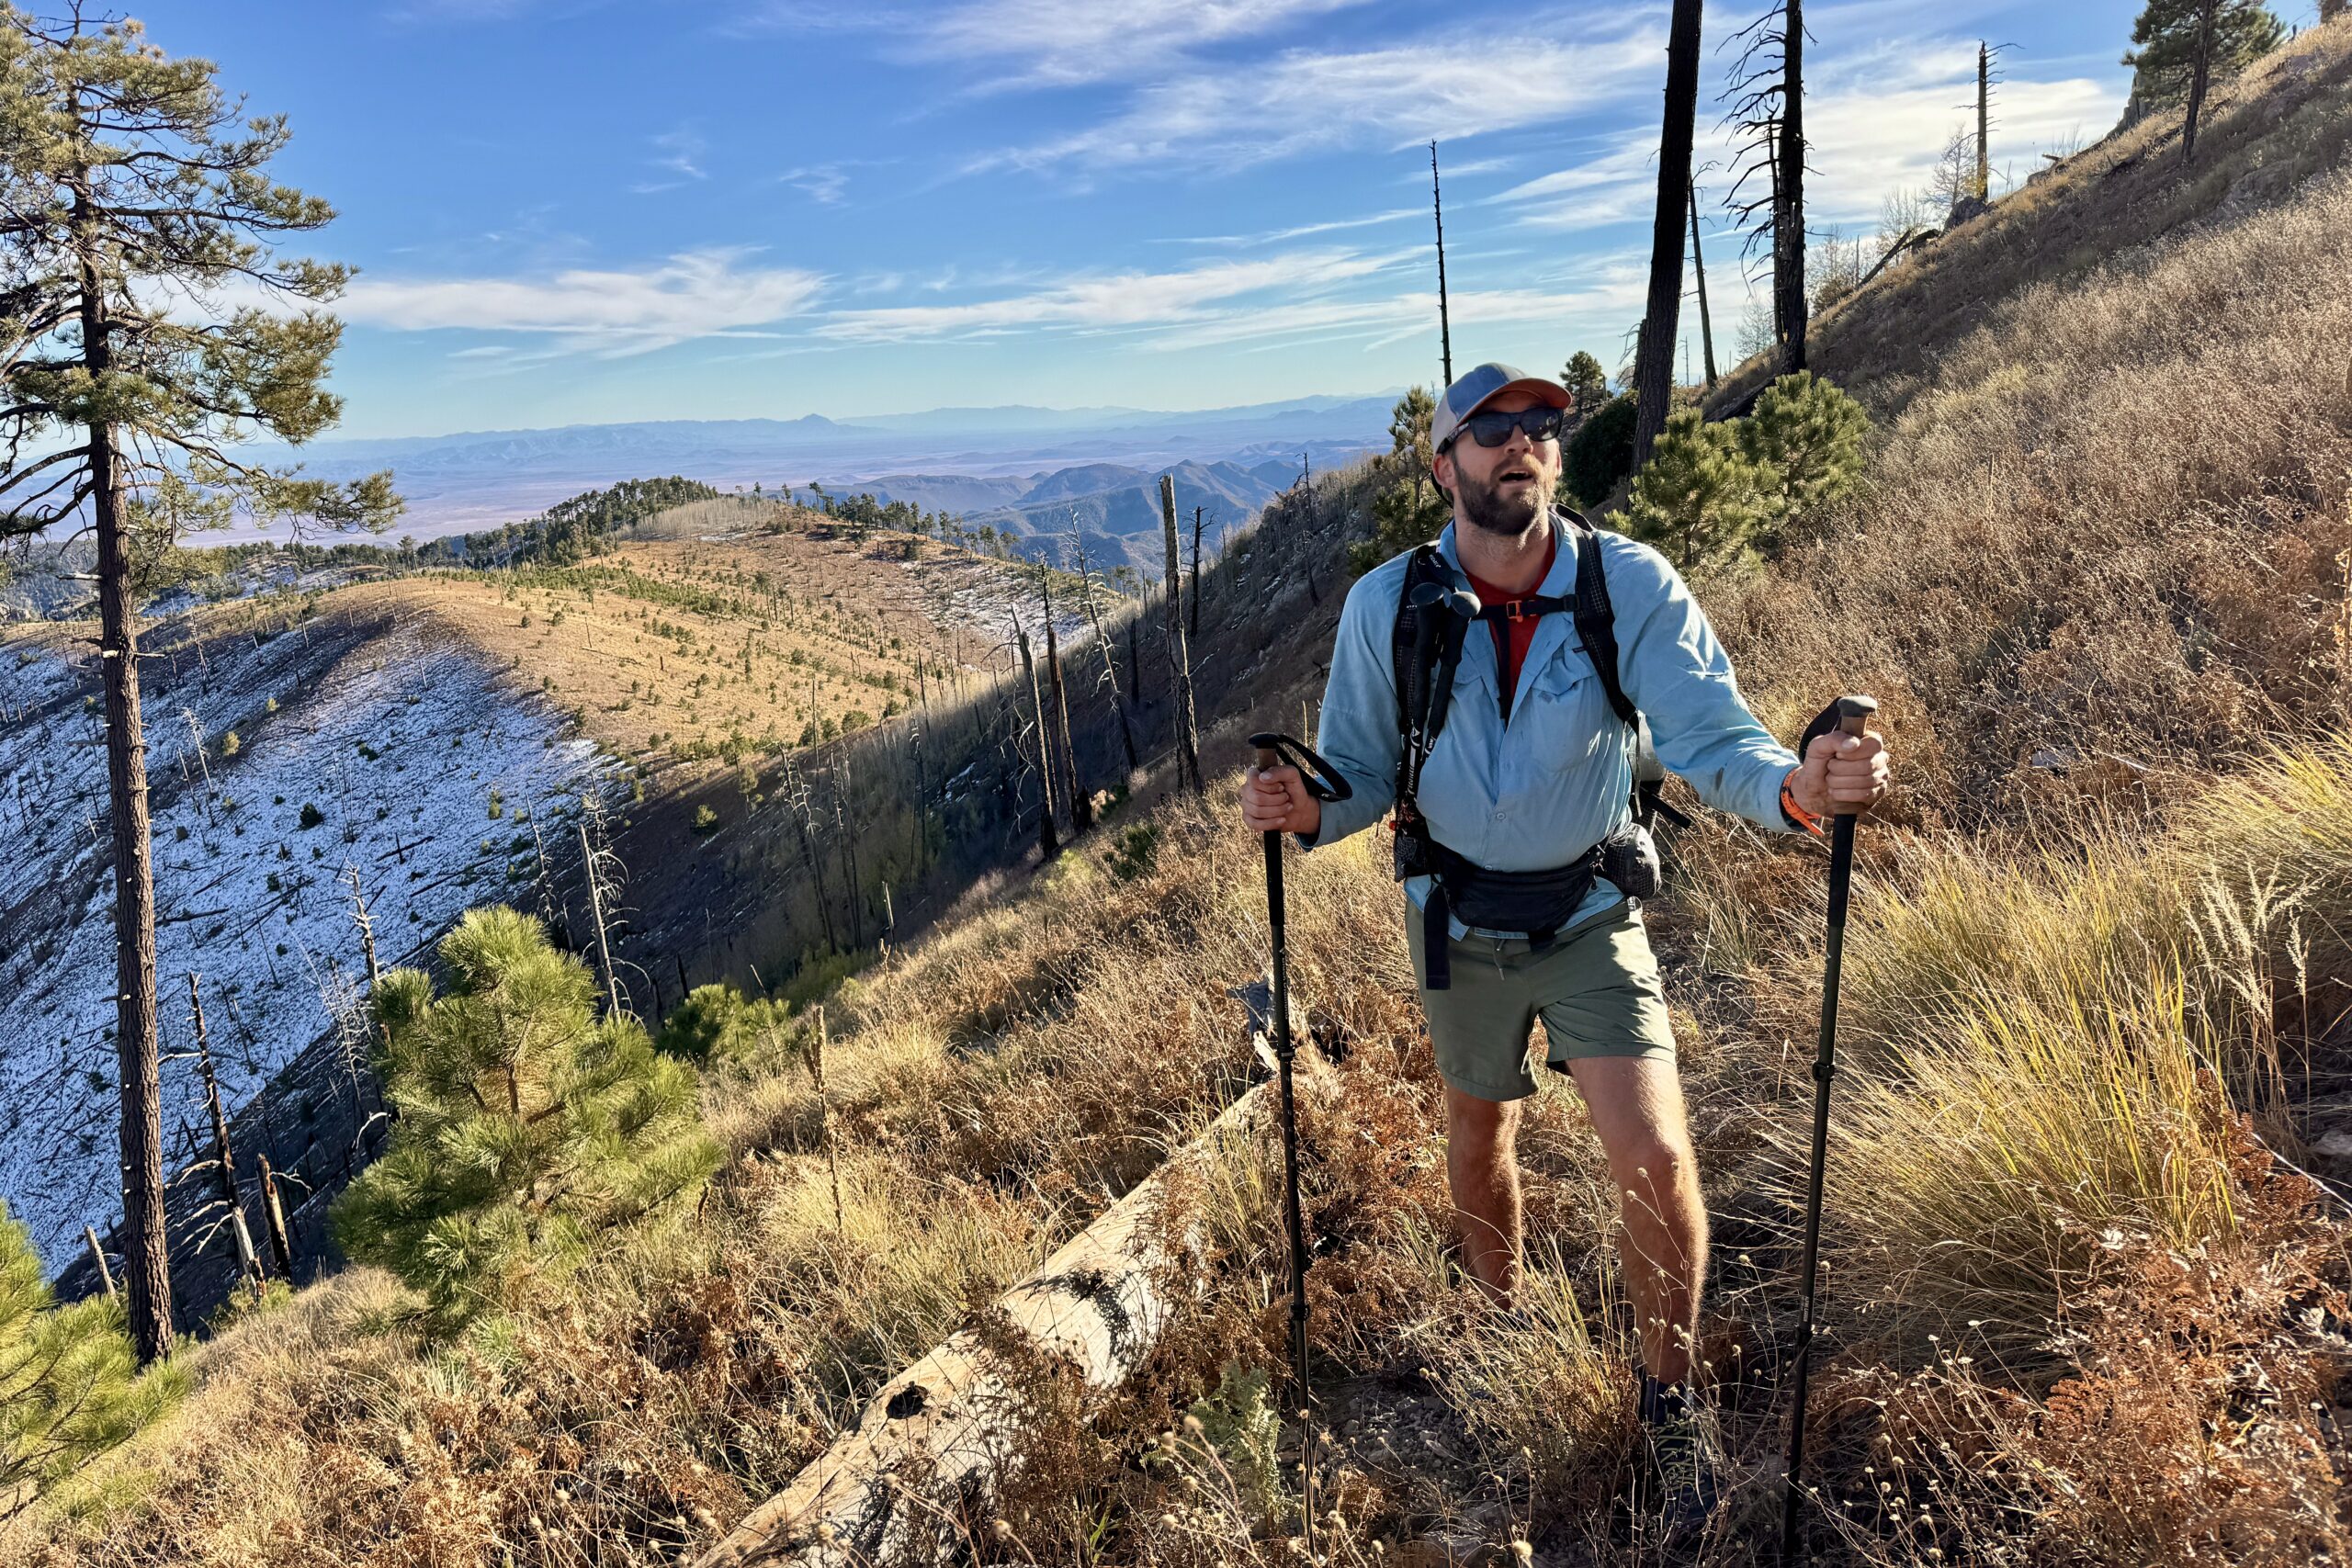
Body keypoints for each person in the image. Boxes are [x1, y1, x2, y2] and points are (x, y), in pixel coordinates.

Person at [1238, 362, 1891, 1533]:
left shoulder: (1624, 586)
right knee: (1479, 1131)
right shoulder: (1385, 606)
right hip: (1454, 921)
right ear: (1442, 465)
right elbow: (1360, 770)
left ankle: (1671, 1400)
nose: (1520, 445)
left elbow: (1712, 736)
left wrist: (1799, 790)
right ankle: (1497, 1326)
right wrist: (1305, 810)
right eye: (1488, 431)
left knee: (1651, 1155)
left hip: (1591, 917)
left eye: (1540, 425)